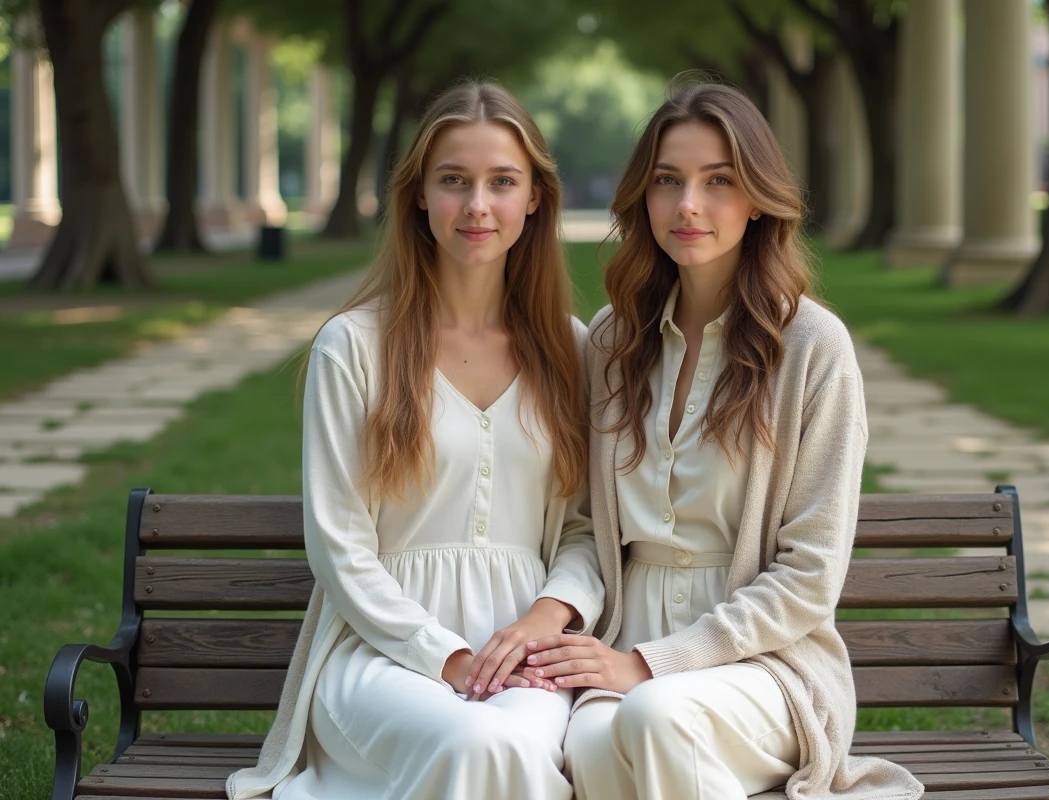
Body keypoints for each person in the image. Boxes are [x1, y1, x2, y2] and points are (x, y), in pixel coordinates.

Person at [522, 77, 924, 800]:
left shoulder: (811, 346)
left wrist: (653, 664)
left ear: (759, 198)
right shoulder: (615, 343)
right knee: (585, 740)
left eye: (719, 182)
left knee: (656, 717)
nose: (689, 207)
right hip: (626, 634)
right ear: (642, 197)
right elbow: (585, 522)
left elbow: (809, 576)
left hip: (767, 662)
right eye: (667, 181)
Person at [226, 79, 603, 800]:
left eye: (502, 182)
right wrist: (450, 658)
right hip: (379, 653)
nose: (477, 206)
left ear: (534, 199)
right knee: (475, 740)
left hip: (526, 656)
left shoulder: (571, 350)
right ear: (419, 197)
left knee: (506, 741)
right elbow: (339, 546)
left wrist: (541, 622)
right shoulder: (355, 346)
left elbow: (587, 530)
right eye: (454, 181)